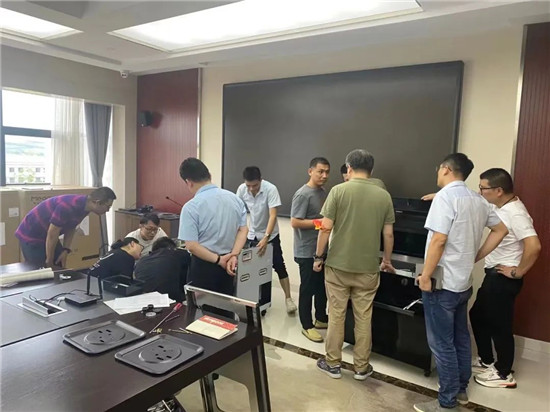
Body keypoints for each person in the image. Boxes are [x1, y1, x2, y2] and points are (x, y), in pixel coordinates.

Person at [413, 154, 508, 412]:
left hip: (443, 284)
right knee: (461, 338)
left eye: (438, 169)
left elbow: (439, 240)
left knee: (442, 343)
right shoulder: (478, 200)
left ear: (446, 169)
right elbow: (501, 230)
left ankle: (446, 402)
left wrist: (425, 275)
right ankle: (461, 390)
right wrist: (475, 255)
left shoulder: (445, 198)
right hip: (464, 283)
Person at [314, 150, 396, 380]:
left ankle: (333, 364)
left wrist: (318, 257)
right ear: (371, 170)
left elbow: (325, 228)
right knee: (364, 318)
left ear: (348, 167)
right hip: (368, 269)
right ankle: (361, 367)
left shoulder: (338, 191)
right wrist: (386, 260)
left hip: (337, 266)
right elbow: (388, 234)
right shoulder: (383, 196)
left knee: (336, 315)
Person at [470, 168, 541, 389]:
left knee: (499, 325)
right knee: (478, 316)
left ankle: (503, 373)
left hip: (503, 279)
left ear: (498, 190)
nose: (480, 191)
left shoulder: (516, 213)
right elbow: (474, 201)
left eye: (483, 188)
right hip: (493, 276)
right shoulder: (499, 205)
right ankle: (486, 360)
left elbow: (534, 245)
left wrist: (518, 271)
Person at [178, 158, 248, 295]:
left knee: (201, 307)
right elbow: (243, 230)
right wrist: (234, 255)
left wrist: (219, 260)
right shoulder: (235, 199)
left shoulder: (191, 206)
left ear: (188, 182)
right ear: (209, 175)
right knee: (225, 304)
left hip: (204, 267)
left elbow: (191, 246)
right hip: (229, 264)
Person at [236, 166, 298, 314]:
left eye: (255, 185)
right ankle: (255, 301)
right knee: (252, 269)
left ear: (261, 180)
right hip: (252, 235)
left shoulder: (271, 189)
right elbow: (237, 211)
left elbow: (273, 215)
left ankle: (288, 299)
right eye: (248, 185)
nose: (251, 189)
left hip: (271, 235)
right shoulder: (242, 189)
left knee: (279, 266)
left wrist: (266, 237)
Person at [15, 187, 116, 268]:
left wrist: (65, 250)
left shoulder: (85, 207)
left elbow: (71, 227)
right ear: (97, 202)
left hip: (47, 234)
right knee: (41, 271)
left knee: (59, 264)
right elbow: (52, 233)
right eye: (108, 206)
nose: (107, 210)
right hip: (31, 235)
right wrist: (49, 260)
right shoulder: (67, 206)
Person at [290, 157, 330, 342]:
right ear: (310, 171)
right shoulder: (302, 194)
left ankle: (320, 318)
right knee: (307, 288)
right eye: (320, 171)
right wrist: (320, 223)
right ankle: (306, 325)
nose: (324, 175)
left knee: (321, 286)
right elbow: (295, 222)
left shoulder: (323, 192)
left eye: (327, 172)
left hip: (321, 249)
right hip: (306, 251)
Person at [134, 237, 191, 302]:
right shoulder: (177, 254)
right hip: (170, 299)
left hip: (143, 298)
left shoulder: (141, 261)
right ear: (172, 248)